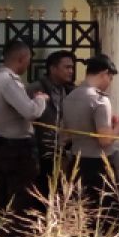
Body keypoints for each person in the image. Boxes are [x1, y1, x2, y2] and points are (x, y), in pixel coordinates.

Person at [0, 39, 48, 237]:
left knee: (2, 202)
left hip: (1, 145)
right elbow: (30, 112)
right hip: (17, 150)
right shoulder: (9, 82)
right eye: (28, 60)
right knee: (20, 204)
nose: (28, 64)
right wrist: (40, 100)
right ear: (21, 58)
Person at [63, 54, 119, 237]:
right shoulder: (99, 100)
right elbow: (105, 140)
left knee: (82, 220)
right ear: (104, 74)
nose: (109, 83)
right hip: (99, 166)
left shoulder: (70, 97)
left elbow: (66, 134)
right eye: (110, 78)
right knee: (112, 222)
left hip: (76, 163)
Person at [30, 49, 76, 195]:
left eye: (72, 67)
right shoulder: (34, 89)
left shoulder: (71, 91)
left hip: (65, 152)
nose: (71, 71)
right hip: (41, 152)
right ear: (53, 68)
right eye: (67, 67)